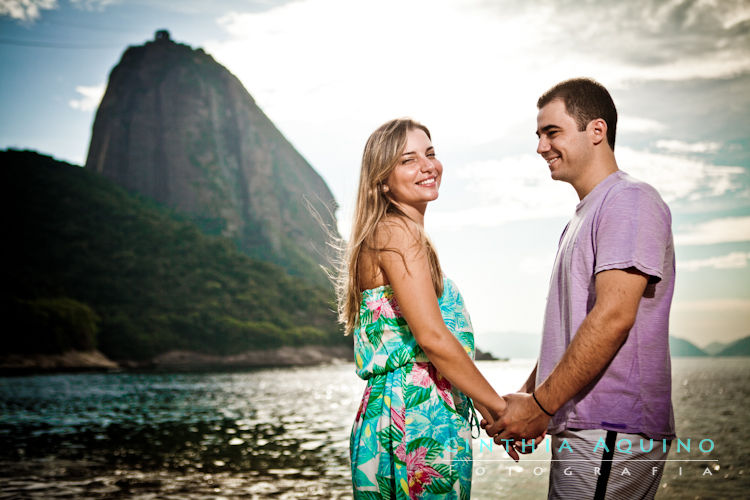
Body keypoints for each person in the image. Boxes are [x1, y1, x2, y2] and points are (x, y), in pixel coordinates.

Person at [485, 78, 676, 499]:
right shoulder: (580, 218)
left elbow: (613, 317)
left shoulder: (630, 200)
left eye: (552, 132)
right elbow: (570, 332)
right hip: (584, 426)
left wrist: (540, 407)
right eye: (538, 135)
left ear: (596, 131)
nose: (540, 146)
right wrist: (528, 400)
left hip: (612, 428)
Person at [339, 118, 507, 499]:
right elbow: (432, 339)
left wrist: (488, 412)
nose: (428, 166)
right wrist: (502, 410)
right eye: (408, 160)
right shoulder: (395, 233)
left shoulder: (403, 236)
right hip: (413, 421)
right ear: (383, 180)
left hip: (422, 413)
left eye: (430, 153)